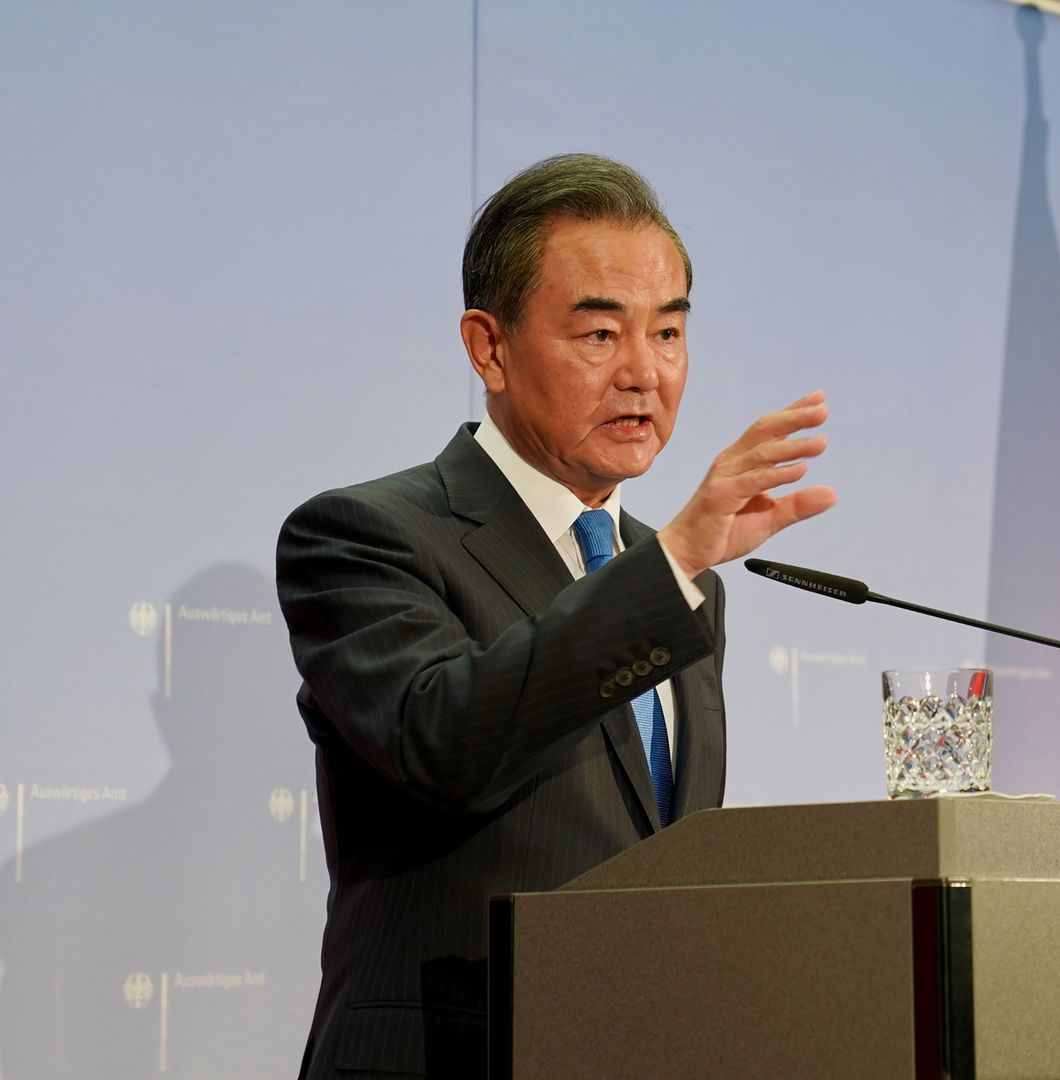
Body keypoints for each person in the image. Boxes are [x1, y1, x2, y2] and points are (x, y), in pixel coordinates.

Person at [275, 153, 835, 1079]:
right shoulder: (365, 535)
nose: (644, 375)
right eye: (600, 334)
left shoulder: (681, 580)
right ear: (487, 347)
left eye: (668, 332)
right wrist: (677, 562)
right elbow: (448, 741)